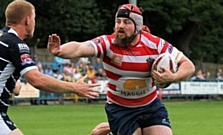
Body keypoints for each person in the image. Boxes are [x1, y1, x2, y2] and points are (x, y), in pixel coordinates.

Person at [47, 4, 195, 135]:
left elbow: (188, 65)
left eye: (126, 22)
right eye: (118, 22)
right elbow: (80, 47)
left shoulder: (155, 44)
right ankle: (114, 125)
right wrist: (60, 50)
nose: (120, 26)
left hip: (150, 106)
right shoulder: (107, 44)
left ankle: (109, 127)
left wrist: (173, 77)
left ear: (137, 27)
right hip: (121, 109)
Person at [0, 1, 100, 135]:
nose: (34, 23)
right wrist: (74, 88)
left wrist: (13, 83)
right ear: (27, 20)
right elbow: (37, 80)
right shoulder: (16, 44)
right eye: (34, 18)